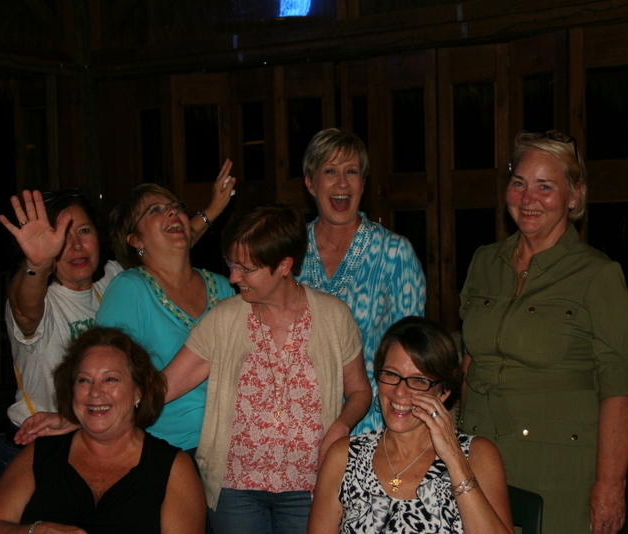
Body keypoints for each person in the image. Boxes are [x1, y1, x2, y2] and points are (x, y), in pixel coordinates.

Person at [0, 160, 235, 476]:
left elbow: (164, 248)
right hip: (39, 438)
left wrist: (212, 210)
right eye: (62, 237)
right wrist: (37, 264)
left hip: (96, 434)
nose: (76, 246)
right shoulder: (43, 297)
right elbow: (23, 308)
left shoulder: (113, 276)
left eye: (84, 231)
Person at [458, 130, 628, 534]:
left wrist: (610, 486)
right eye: (519, 183)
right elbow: (470, 363)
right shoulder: (484, 262)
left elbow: (619, 387)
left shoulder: (597, 275)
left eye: (545, 186)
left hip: (556, 468)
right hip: (478, 456)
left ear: (574, 196)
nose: (528, 198)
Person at [162, 203, 372, 534]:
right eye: (232, 265)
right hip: (234, 488)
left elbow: (359, 391)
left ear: (284, 266)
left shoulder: (334, 316)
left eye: (246, 269)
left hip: (310, 484)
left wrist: (341, 426)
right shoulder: (223, 320)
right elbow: (164, 386)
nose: (233, 277)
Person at [0, 327, 206, 534]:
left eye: (110, 379)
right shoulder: (41, 454)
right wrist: (35, 531)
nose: (95, 392)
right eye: (84, 380)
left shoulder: (173, 467)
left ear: (138, 391)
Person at [308, 316, 514, 534]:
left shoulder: (478, 455)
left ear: (443, 391)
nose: (399, 391)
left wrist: (454, 458)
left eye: (418, 381)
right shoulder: (344, 456)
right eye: (391, 374)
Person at [298, 128, 426, 435]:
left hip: (371, 427)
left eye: (352, 172)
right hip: (295, 425)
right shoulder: (288, 250)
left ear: (363, 183)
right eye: (330, 171)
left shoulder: (394, 253)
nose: (342, 182)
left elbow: (411, 355)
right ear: (311, 183)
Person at [95, 183, 235, 455]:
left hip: (233, 440)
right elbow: (104, 372)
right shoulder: (130, 288)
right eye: (155, 210)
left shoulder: (224, 285)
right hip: (169, 449)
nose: (172, 213)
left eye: (175, 207)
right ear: (135, 239)